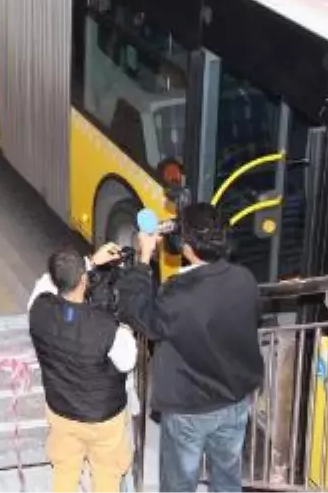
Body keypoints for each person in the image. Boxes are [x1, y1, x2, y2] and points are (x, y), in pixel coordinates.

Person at [118, 203, 264, 493]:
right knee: (227, 479)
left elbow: (136, 312)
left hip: (189, 409)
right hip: (235, 400)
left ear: (187, 247)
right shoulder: (245, 279)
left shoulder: (178, 294)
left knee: (179, 484)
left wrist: (144, 258)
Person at [28, 244, 136, 493]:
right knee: (107, 475)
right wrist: (126, 331)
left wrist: (87, 263)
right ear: (85, 280)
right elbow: (127, 362)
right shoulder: (107, 327)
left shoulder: (38, 309)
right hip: (103, 419)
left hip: (61, 412)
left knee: (65, 472)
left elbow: (44, 282)